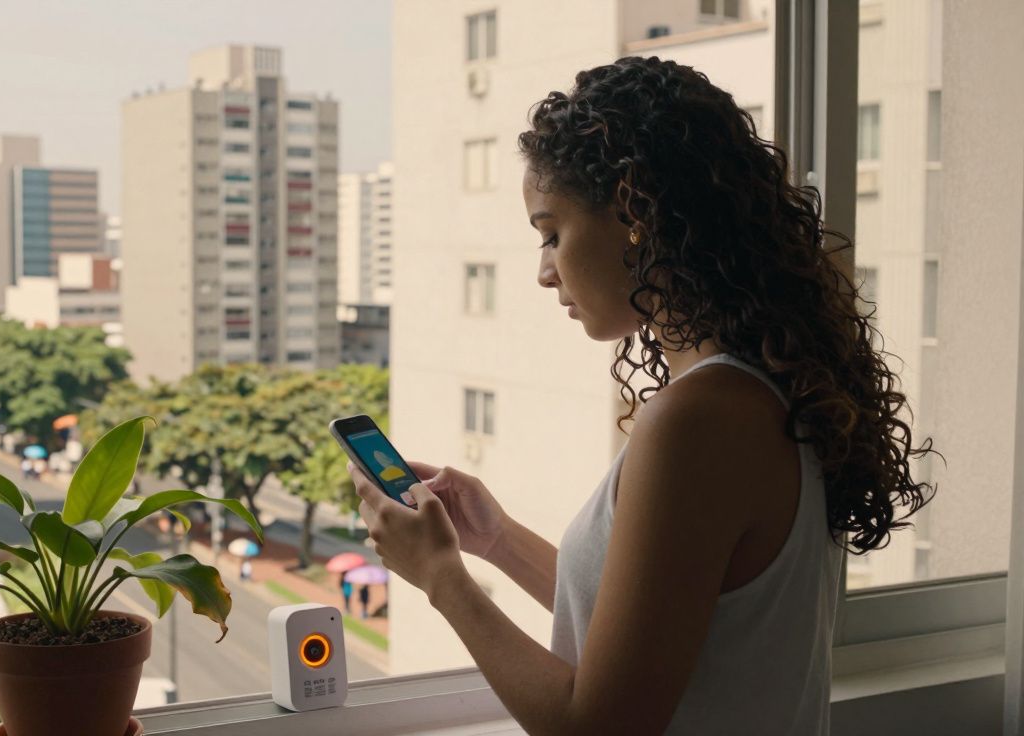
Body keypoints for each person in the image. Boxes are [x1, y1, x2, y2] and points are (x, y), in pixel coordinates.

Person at [349, 57, 937, 736]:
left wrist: (441, 578)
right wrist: (498, 540)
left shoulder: (699, 421)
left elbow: (600, 724)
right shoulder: (759, 389)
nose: (545, 272)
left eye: (552, 233)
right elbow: (655, 629)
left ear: (634, 209)